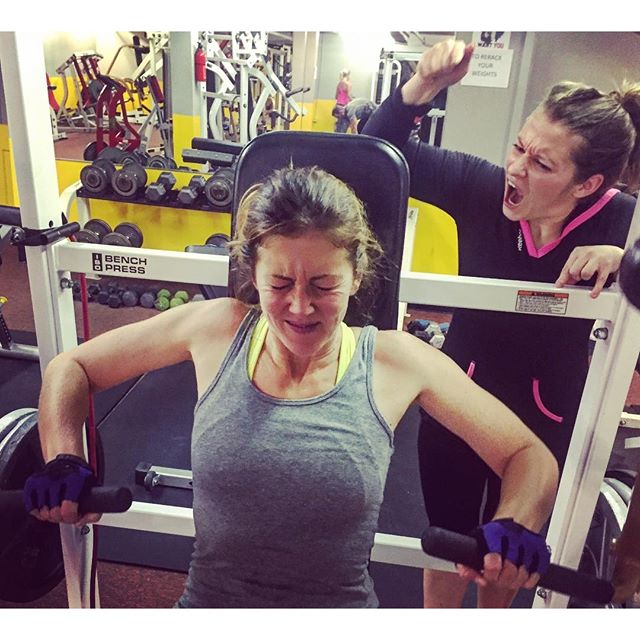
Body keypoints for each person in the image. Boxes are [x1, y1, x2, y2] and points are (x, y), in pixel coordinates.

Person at [24, 165, 558, 608]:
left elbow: (527, 454)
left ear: (356, 272)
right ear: (252, 272)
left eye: (324, 285)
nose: (300, 307)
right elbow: (70, 369)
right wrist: (65, 460)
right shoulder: (214, 329)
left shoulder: (394, 361)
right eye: (279, 284)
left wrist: (515, 521)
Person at [363, 38, 640, 608]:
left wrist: (630, 260)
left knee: (507, 557)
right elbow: (374, 159)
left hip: (550, 413)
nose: (516, 168)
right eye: (518, 148)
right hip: (459, 396)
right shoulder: (484, 187)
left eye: (542, 164)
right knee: (451, 540)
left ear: (589, 185)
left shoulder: (622, 222)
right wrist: (422, 86)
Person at [333, 69, 353, 133]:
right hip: (344, 107)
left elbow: (336, 96)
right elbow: (349, 95)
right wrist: (354, 100)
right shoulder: (348, 84)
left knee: (339, 124)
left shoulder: (339, 84)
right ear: (348, 76)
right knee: (345, 124)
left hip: (338, 106)